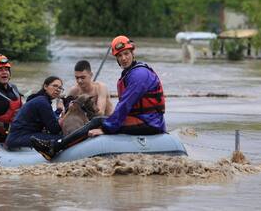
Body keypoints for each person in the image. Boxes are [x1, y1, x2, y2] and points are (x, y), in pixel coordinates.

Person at [30, 35, 166, 160]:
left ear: (132, 53)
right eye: (119, 55)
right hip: (142, 120)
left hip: (150, 123)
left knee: (98, 121)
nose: (123, 58)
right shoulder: (130, 73)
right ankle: (58, 145)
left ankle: (54, 147)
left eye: (126, 54)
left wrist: (106, 129)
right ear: (116, 58)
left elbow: (124, 105)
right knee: (98, 121)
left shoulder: (139, 75)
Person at [5, 76, 65, 149]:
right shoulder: (42, 102)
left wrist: (58, 111)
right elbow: (54, 129)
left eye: (60, 88)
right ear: (45, 86)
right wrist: (63, 119)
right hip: (19, 138)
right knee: (62, 138)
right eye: (55, 86)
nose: (58, 90)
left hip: (18, 136)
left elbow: (49, 120)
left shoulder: (39, 99)